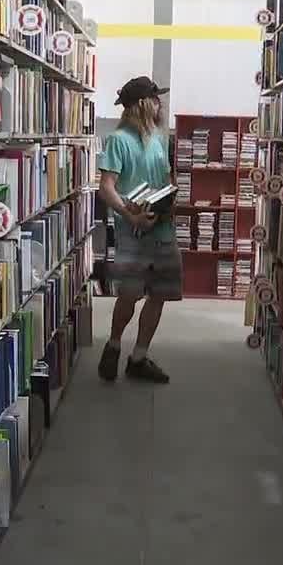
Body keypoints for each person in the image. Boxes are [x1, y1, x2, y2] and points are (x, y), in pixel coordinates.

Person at [97, 76, 181, 383]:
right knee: (130, 295)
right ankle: (114, 344)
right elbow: (106, 188)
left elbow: (166, 179)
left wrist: (171, 196)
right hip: (134, 232)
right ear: (144, 104)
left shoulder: (160, 139)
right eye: (156, 99)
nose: (160, 104)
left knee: (159, 294)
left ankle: (139, 357)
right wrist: (130, 217)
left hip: (162, 230)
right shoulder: (118, 140)